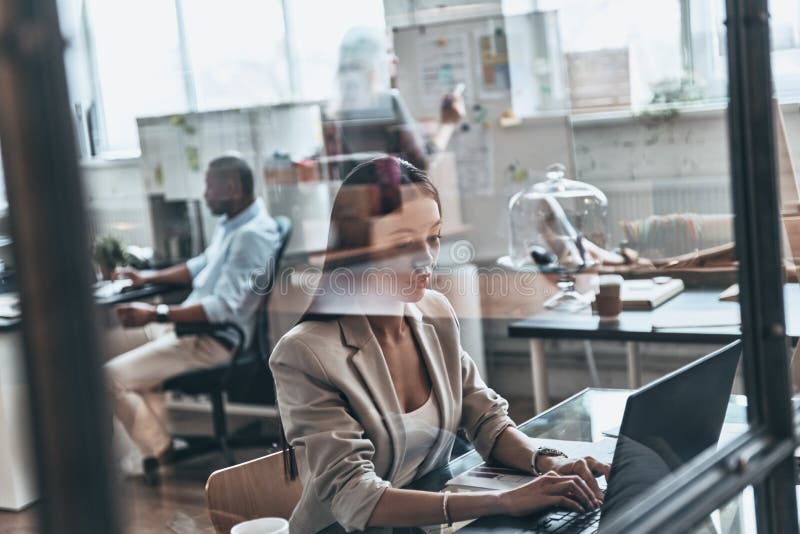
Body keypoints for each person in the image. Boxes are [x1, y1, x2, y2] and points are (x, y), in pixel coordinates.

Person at [270, 156, 610, 533]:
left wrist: (549, 461)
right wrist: (504, 501)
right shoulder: (304, 354)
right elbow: (356, 498)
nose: (426, 259)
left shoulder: (433, 312)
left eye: (433, 238)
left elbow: (486, 420)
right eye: (403, 245)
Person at [105, 154, 280, 475]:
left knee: (107, 378)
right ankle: (152, 448)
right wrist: (147, 279)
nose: (205, 194)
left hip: (211, 341)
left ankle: (159, 449)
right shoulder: (235, 224)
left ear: (231, 187)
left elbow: (222, 308)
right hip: (187, 329)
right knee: (109, 341)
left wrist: (155, 314)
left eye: (210, 187)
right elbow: (199, 266)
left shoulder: (252, 236)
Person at [322, 26, 464, 179]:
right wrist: (447, 123)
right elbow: (422, 164)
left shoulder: (335, 110)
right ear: (373, 60)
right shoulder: (387, 102)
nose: (395, 59)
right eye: (388, 51)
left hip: (360, 200)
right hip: (394, 200)